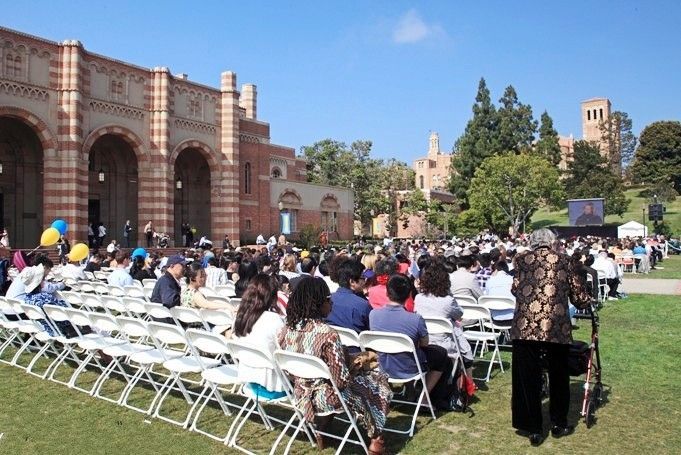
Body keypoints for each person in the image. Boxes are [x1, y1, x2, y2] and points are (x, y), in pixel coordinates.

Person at [278, 276, 391, 454]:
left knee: (356, 376)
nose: (331, 305)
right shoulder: (328, 334)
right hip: (328, 396)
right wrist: (357, 366)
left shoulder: (286, 329)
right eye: (328, 300)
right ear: (318, 303)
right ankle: (376, 437)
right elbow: (341, 382)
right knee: (378, 380)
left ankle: (322, 429)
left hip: (300, 391)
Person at [510, 228, 592, 446]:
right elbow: (578, 295)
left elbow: (515, 288)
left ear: (533, 242)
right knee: (558, 374)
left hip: (524, 325)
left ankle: (533, 427)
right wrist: (586, 300)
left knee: (526, 377)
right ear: (552, 242)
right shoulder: (565, 260)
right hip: (555, 326)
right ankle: (558, 422)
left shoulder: (520, 259)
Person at [370, 273, 454, 411]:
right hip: (408, 367)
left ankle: (412, 391)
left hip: (383, 365)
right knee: (441, 355)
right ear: (410, 293)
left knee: (413, 353)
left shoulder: (373, 315)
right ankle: (424, 398)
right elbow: (425, 344)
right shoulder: (415, 319)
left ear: (387, 292)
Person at [413, 257, 474, 377]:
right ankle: (468, 380)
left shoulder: (419, 298)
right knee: (458, 332)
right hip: (443, 342)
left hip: (424, 340)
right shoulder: (447, 300)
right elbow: (459, 314)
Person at [233, 274, 285, 391]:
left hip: (247, 377)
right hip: (272, 384)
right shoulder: (274, 320)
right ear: (271, 296)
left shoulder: (242, 316)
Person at [326, 257, 372, 334]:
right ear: (352, 281)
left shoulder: (326, 300)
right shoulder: (363, 305)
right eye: (363, 278)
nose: (365, 281)